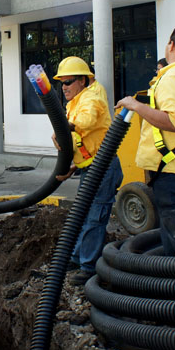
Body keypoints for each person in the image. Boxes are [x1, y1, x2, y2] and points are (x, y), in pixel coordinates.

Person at [115, 26, 175, 257]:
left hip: (173, 167)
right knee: (173, 231)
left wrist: (136, 106)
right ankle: (174, 283)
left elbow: (173, 121)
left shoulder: (173, 77)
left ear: (172, 45)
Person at [52, 56, 123, 285]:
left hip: (103, 167)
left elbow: (86, 121)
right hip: (90, 167)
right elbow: (84, 141)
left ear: (83, 80)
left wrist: (63, 128)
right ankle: (76, 257)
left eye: (69, 82)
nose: (64, 87)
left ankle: (88, 267)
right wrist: (72, 167)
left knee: (94, 217)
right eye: (61, 83)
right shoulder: (75, 101)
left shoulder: (91, 99)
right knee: (82, 214)